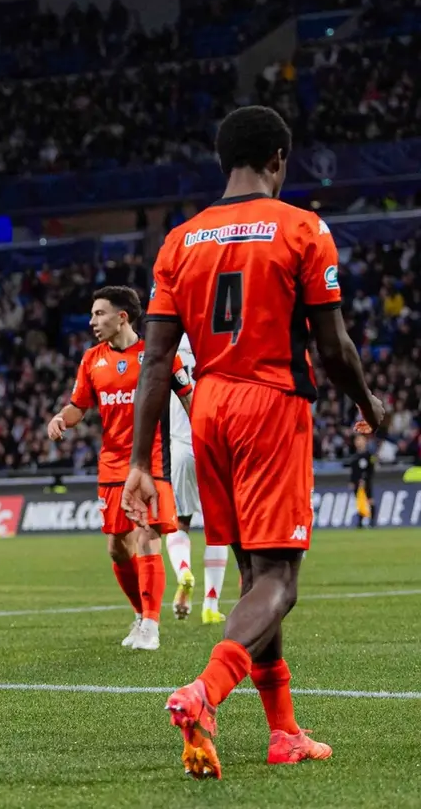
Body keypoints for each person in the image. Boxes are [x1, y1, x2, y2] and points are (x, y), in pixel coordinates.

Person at [126, 105, 384, 778]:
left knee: (251, 578)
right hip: (270, 403)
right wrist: (367, 402)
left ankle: (284, 731)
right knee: (279, 581)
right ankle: (204, 694)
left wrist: (136, 463)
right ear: (279, 159)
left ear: (224, 161)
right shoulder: (302, 229)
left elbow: (155, 365)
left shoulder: (179, 241)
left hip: (206, 406)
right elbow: (332, 347)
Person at [48, 286, 192, 651]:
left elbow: (189, 396)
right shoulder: (91, 360)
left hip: (151, 462)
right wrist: (61, 419)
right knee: (116, 548)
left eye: (99, 314)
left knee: (146, 535)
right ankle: (141, 615)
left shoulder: (157, 355)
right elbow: (78, 406)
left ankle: (152, 626)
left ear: (122, 316)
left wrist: (207, 435)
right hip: (112, 466)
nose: (93, 321)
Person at [166, 334, 232, 625]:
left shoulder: (169, 343)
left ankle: (183, 572)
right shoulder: (218, 338)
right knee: (218, 528)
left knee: (180, 521)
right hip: (212, 441)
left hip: (180, 446)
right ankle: (210, 605)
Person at [348, 433, 375, 528]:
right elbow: (353, 471)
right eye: (357, 440)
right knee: (360, 501)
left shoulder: (369, 455)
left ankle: (372, 521)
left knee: (369, 500)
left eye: (361, 440)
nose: (359, 442)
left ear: (365, 441)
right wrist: (352, 481)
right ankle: (360, 522)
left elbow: (371, 470)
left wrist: (365, 479)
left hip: (366, 482)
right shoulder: (354, 457)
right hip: (356, 483)